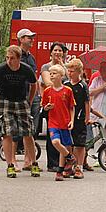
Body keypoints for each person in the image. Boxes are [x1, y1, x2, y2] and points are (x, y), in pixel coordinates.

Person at [0, 45, 38, 178]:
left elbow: (34, 84)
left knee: (28, 132)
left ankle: (34, 163)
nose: (9, 61)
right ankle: (10, 165)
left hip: (21, 101)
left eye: (12, 58)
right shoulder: (1, 69)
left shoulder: (26, 69)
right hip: (5, 101)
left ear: (19, 58)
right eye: (7, 58)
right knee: (7, 132)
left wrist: (29, 101)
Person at [42, 65, 78, 181]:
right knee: (56, 142)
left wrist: (72, 121)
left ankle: (60, 171)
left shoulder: (68, 91)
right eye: (50, 73)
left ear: (61, 76)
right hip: (53, 122)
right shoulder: (47, 91)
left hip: (65, 122)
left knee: (64, 144)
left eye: (54, 73)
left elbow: (72, 107)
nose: (51, 75)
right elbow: (44, 106)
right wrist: (47, 107)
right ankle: (70, 157)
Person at [40, 42, 69, 172]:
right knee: (52, 135)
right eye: (55, 50)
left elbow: (71, 80)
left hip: (63, 105)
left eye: (60, 51)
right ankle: (52, 163)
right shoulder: (46, 67)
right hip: (50, 104)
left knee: (63, 133)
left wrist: (62, 65)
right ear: (51, 52)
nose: (57, 53)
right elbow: (48, 83)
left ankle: (63, 162)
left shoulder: (65, 67)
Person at [17, 28, 41, 172]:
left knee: (32, 129)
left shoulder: (31, 58)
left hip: (33, 96)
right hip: (19, 96)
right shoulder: (15, 55)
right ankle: (13, 161)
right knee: (17, 130)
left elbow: (35, 79)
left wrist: (37, 94)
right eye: (29, 37)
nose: (32, 39)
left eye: (32, 37)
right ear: (21, 39)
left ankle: (28, 159)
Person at [65, 59, 91, 179]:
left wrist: (87, 116)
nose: (70, 73)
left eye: (72, 71)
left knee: (80, 144)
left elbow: (87, 101)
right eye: (68, 71)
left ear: (79, 72)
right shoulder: (66, 85)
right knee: (68, 143)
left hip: (80, 117)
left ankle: (79, 167)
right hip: (68, 118)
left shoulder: (83, 85)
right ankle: (69, 165)